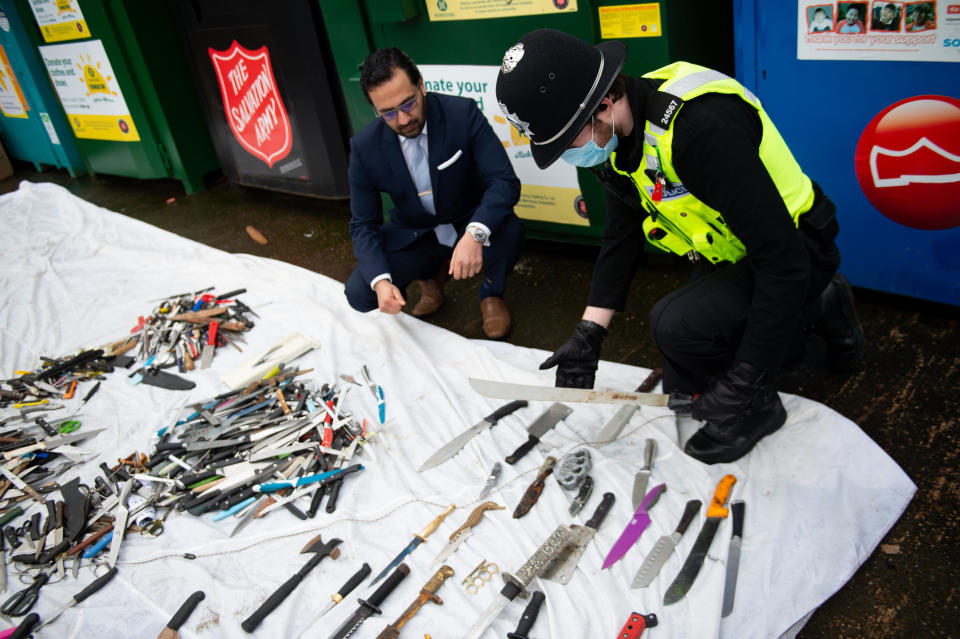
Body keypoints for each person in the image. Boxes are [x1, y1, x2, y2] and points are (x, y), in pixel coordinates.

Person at [495, 29, 864, 464]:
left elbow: (782, 263)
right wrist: (589, 332)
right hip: (737, 250)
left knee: (676, 326)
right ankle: (823, 303)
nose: (566, 155)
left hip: (798, 246)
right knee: (684, 384)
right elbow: (621, 235)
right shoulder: (614, 134)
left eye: (565, 143)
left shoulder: (698, 132)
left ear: (603, 105)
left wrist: (746, 380)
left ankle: (761, 410)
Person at [345, 47, 524, 339]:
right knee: (359, 292)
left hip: (467, 219)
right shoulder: (364, 148)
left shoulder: (462, 113)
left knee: (510, 228)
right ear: (375, 111)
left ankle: (491, 294)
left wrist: (475, 233)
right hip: (418, 232)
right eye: (388, 113)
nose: (402, 120)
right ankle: (431, 279)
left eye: (408, 104)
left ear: (422, 86)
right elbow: (363, 225)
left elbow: (504, 181)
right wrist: (380, 281)